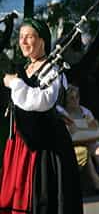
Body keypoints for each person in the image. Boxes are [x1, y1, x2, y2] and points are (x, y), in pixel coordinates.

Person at [0, 17, 83, 213]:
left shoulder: (52, 68)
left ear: (42, 41)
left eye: (30, 37)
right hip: (19, 143)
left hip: (44, 147)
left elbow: (42, 101)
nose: (23, 42)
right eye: (21, 37)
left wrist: (14, 84)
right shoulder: (25, 67)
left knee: (41, 196)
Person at [57, 84, 99, 193]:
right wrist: (84, 128)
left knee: (98, 148)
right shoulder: (63, 113)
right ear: (65, 100)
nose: (75, 100)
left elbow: (95, 128)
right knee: (85, 150)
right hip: (73, 145)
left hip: (89, 141)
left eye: (77, 97)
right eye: (71, 98)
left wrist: (81, 128)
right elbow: (70, 132)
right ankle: (97, 181)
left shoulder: (85, 111)